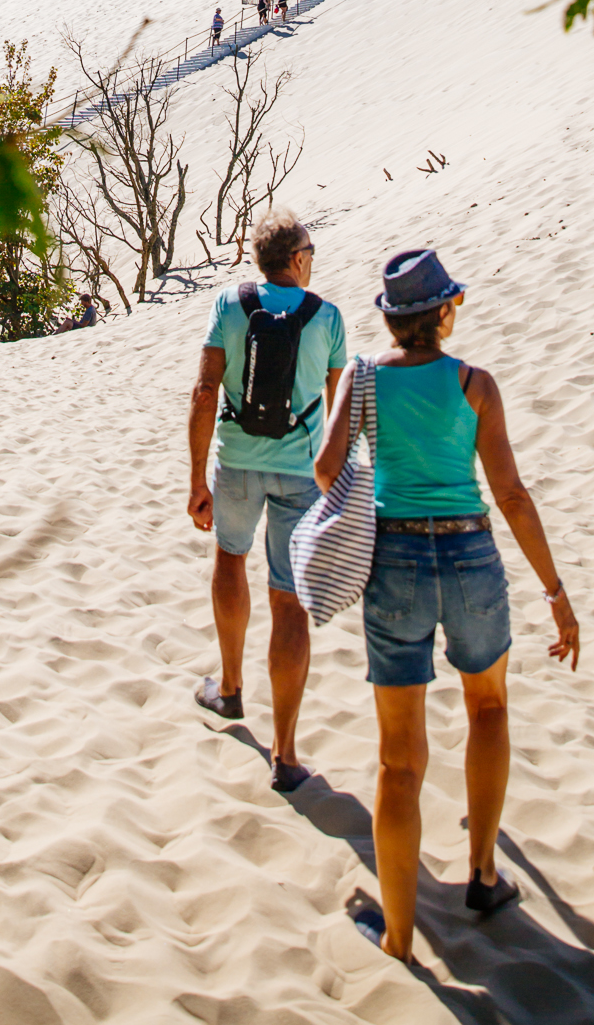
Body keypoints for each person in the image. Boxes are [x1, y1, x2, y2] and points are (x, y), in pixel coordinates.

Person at [312, 247, 580, 964]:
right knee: (488, 709)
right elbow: (512, 495)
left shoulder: (365, 377)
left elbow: (326, 467)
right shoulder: (475, 385)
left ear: (393, 321)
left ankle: (400, 937)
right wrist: (556, 591)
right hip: (470, 557)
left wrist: (366, 430)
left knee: (399, 761)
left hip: (394, 564)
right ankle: (484, 873)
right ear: (444, 314)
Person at [187, 209, 347, 792]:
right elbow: (337, 411)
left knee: (231, 560)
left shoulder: (229, 305)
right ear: (298, 259)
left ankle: (229, 689)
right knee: (289, 602)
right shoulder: (326, 317)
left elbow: (206, 391)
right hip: (300, 477)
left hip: (237, 465)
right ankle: (284, 752)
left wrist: (196, 479)